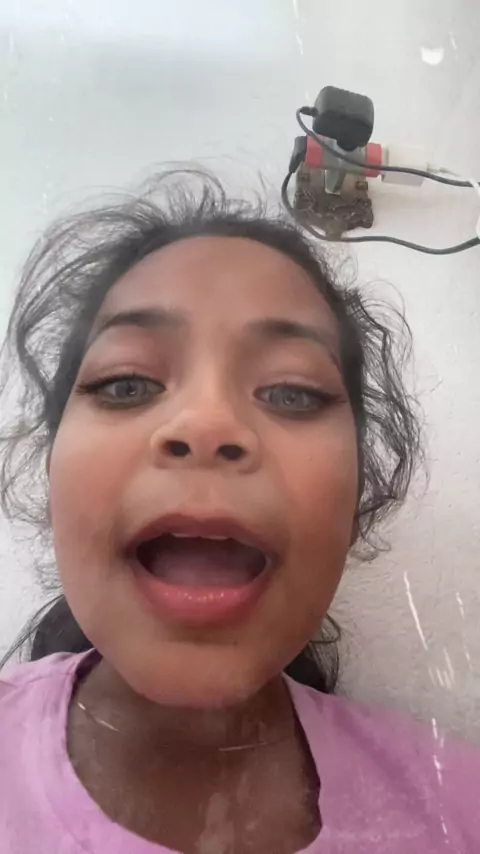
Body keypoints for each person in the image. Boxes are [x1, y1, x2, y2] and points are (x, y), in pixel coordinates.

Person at [0, 170, 477, 854]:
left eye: (291, 392)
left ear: (356, 497)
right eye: (127, 383)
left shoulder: (459, 808)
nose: (206, 423)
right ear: (52, 473)